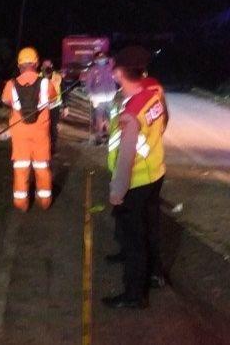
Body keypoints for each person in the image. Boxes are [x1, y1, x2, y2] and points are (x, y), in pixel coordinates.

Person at [102, 46, 167, 309]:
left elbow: (126, 158)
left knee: (134, 239)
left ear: (119, 72)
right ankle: (153, 274)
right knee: (149, 227)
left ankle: (134, 295)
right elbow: (162, 123)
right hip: (155, 173)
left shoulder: (131, 114)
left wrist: (117, 192)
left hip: (136, 181)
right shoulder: (152, 93)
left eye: (114, 68)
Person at [2, 47, 58, 212]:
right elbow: (53, 99)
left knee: (21, 167)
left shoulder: (11, 85)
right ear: (36, 64)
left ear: (19, 65)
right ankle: (45, 201)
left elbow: (6, 101)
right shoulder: (46, 83)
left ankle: (21, 203)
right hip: (40, 134)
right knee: (42, 167)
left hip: (20, 134)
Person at [83, 51, 117, 144]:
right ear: (96, 60)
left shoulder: (110, 68)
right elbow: (88, 85)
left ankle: (109, 135)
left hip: (110, 97)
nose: (102, 59)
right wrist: (91, 97)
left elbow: (115, 80)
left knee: (110, 117)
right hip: (98, 98)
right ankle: (99, 136)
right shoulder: (93, 70)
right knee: (99, 117)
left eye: (103, 58)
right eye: (100, 58)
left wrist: (114, 92)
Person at [40, 59, 63, 153]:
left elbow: (64, 90)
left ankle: (53, 146)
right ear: (42, 67)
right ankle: (43, 145)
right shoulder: (38, 77)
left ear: (52, 66)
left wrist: (66, 106)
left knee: (53, 127)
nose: (47, 67)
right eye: (45, 65)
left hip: (54, 106)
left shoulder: (58, 76)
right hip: (42, 107)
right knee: (42, 127)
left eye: (48, 65)